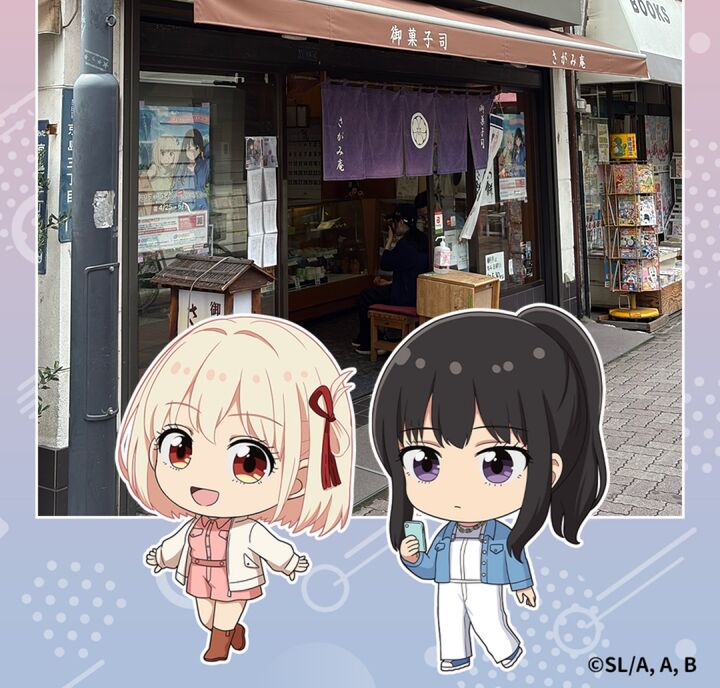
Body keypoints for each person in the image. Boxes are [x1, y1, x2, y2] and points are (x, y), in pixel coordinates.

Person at [369, 307, 607, 674]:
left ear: (549, 471)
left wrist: (522, 585)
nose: (458, 491)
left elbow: (514, 556)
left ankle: (505, 652)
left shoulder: (500, 535)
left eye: (497, 464)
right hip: (449, 583)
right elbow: (429, 567)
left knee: (487, 617)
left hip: (485, 583)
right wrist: (412, 557)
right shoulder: (445, 536)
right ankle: (454, 655)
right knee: (448, 616)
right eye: (424, 462)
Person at [116, 315, 355, 663]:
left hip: (236, 577)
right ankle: (229, 631)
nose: (205, 481)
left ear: (299, 476)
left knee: (224, 614)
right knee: (205, 614)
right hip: (199, 573)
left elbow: (269, 545)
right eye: (179, 449)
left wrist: (290, 562)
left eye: (248, 463)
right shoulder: (196, 524)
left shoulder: (248, 530)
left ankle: (220, 643)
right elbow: (177, 542)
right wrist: (162, 557)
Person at [352, 204, 430, 355]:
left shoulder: (405, 244)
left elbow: (385, 263)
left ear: (400, 222)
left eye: (394, 222)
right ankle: (366, 337)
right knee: (375, 293)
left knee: (364, 296)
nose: (393, 226)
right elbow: (409, 270)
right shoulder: (422, 239)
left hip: (404, 296)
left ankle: (369, 341)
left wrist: (389, 241)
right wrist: (390, 282)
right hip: (416, 291)